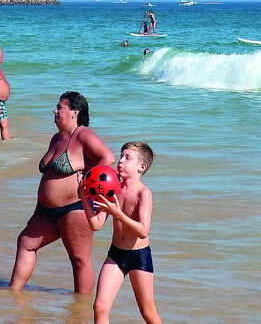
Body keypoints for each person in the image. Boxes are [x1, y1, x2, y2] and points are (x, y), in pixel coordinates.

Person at [9, 92, 115, 294]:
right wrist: (37, 210)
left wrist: (87, 179)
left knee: (79, 260)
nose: (54, 110)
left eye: (60, 107)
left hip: (74, 209)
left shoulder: (83, 134)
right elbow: (47, 177)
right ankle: (13, 294)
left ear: (74, 112)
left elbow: (107, 158)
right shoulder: (56, 138)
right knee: (26, 242)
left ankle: (80, 309)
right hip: (47, 211)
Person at [85, 142, 162, 324]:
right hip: (116, 254)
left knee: (147, 313)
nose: (120, 161)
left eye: (127, 158)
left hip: (139, 257)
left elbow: (143, 231)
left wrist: (117, 213)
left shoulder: (144, 193)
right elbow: (96, 225)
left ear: (141, 167)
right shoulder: (112, 189)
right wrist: (83, 194)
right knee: (100, 306)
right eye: (121, 156)